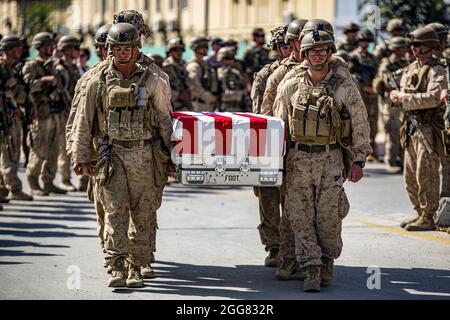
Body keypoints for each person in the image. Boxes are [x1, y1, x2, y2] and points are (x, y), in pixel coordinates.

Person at [70, 23, 173, 288]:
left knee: (142, 213)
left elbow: (164, 120)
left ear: (135, 49)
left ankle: (136, 267)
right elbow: (84, 121)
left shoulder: (152, 79)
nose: (123, 53)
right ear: (109, 50)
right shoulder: (97, 80)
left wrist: (170, 156)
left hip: (143, 154)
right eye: (117, 48)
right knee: (115, 211)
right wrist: (81, 158)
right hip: (110, 154)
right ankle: (116, 265)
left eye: (127, 48)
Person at [273, 29, 371, 292]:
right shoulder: (290, 84)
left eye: (323, 50)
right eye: (313, 51)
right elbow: (279, 124)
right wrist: (275, 160)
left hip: (330, 159)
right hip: (298, 159)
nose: (318, 55)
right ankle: (311, 268)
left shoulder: (343, 86)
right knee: (301, 217)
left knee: (329, 217)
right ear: (304, 54)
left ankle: (327, 260)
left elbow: (360, 123)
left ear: (330, 52)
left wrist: (359, 159)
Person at [389, 26, 448, 231]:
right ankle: (419, 211)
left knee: (426, 173)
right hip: (411, 126)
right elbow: (402, 92)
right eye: (412, 44)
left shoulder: (436, 70)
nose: (413, 48)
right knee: (410, 175)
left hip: (427, 129)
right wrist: (396, 96)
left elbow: (434, 97)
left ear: (429, 46)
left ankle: (428, 214)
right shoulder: (411, 68)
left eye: (417, 45)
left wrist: (404, 99)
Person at [23, 32, 67, 196]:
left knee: (53, 150)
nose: (51, 48)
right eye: (47, 45)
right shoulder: (32, 65)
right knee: (39, 149)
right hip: (40, 114)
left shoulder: (52, 65)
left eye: (51, 45)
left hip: (54, 113)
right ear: (39, 47)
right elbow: (27, 86)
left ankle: (48, 181)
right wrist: (45, 80)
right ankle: (33, 181)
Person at [0, 35, 33, 201]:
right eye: (17, 48)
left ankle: (8, 188)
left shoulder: (16, 68)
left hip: (11, 116)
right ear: (8, 50)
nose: (20, 51)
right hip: (4, 115)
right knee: (8, 155)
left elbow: (21, 94)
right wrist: (6, 92)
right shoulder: (2, 68)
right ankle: (12, 187)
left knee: (12, 153)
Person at [372, 36, 410, 173]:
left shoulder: (406, 63)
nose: (403, 50)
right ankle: (391, 161)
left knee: (403, 132)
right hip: (390, 104)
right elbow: (386, 82)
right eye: (400, 48)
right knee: (392, 132)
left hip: (403, 102)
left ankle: (402, 159)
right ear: (395, 49)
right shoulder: (386, 64)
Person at [53, 35, 81, 192]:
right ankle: (64, 178)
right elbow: (62, 92)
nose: (78, 51)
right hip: (65, 112)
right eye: (75, 48)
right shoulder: (60, 69)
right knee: (64, 147)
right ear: (67, 50)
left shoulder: (73, 68)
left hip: (74, 111)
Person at [350, 29, 379, 161]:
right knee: (358, 121)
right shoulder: (353, 57)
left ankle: (372, 150)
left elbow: (378, 74)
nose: (364, 43)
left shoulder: (373, 57)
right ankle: (357, 150)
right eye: (362, 40)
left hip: (371, 93)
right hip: (358, 93)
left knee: (373, 121)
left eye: (366, 41)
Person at [186, 37, 219, 112]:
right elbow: (195, 88)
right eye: (202, 48)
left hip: (208, 104)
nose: (205, 49)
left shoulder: (205, 64)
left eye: (206, 47)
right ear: (196, 49)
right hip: (199, 105)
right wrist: (212, 98)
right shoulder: (193, 66)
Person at [162, 37, 192, 111]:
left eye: (181, 50)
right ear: (170, 51)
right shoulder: (166, 67)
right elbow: (162, 88)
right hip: (173, 105)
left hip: (186, 104)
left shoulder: (184, 64)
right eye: (176, 50)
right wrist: (178, 95)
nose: (179, 52)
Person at [217, 47, 246, 112]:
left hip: (239, 106)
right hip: (226, 108)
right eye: (229, 58)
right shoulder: (220, 74)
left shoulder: (235, 72)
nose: (232, 60)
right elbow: (224, 94)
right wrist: (241, 93)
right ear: (222, 59)